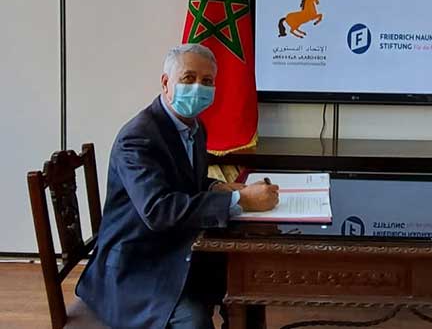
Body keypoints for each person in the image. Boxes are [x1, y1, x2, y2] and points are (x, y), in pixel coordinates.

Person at [76, 44, 280, 329]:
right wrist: (241, 202)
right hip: (137, 264)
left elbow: (186, 182)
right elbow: (159, 210)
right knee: (195, 322)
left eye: (207, 81)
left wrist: (222, 188)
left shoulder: (195, 128)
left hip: (179, 246)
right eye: (188, 78)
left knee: (250, 282)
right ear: (165, 82)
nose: (198, 88)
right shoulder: (137, 138)